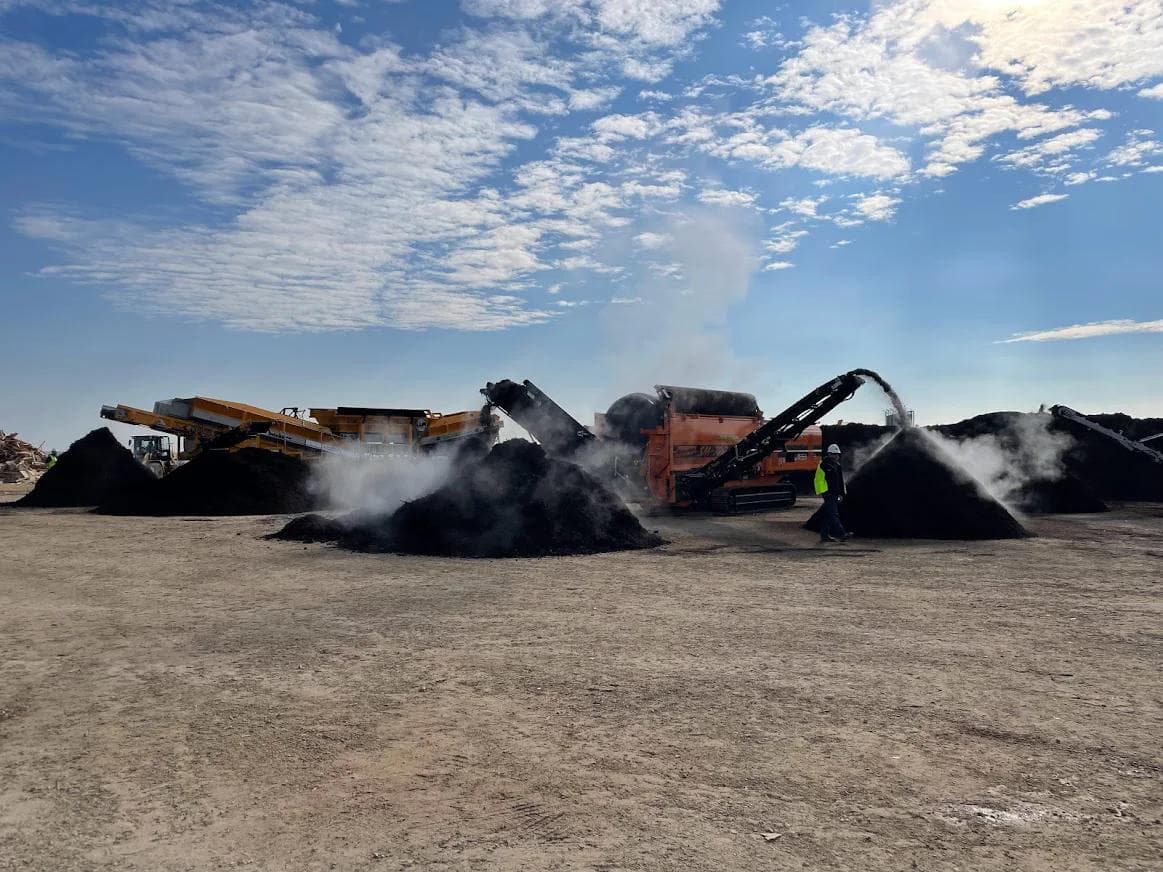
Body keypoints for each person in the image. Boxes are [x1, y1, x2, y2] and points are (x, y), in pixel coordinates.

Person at [813, 443, 851, 543]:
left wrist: (842, 493)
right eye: (834, 454)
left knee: (829, 514)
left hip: (835, 493)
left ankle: (824, 536)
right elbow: (818, 480)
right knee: (834, 514)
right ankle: (842, 534)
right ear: (829, 454)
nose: (836, 456)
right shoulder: (823, 465)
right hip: (828, 493)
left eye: (837, 454)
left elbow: (840, 481)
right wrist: (824, 492)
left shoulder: (837, 465)